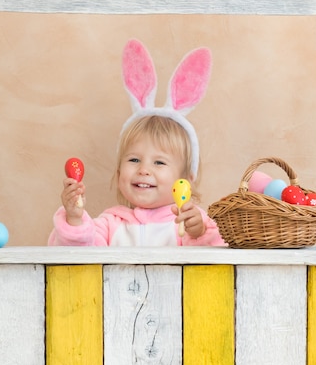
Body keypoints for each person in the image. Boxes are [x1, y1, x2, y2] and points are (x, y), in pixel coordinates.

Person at [48, 39, 226, 247]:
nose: (143, 170)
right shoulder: (108, 226)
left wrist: (200, 234)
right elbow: (77, 258)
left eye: (159, 162)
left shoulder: (189, 224)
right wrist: (75, 219)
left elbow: (219, 259)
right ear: (118, 172)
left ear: (186, 180)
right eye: (134, 159)